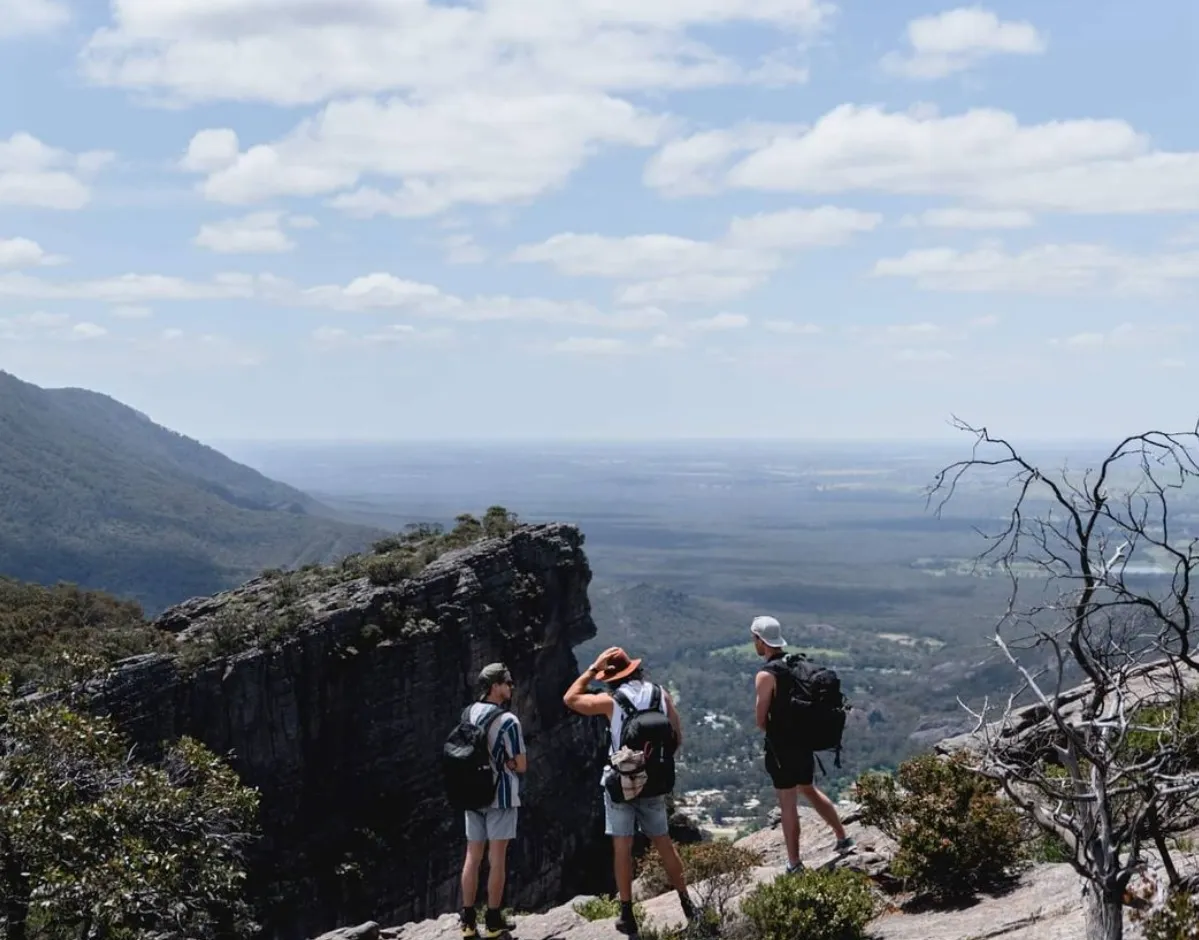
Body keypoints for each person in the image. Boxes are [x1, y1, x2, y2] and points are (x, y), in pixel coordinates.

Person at [563, 646, 696, 935]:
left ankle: (627, 914)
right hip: (655, 781)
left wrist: (591, 669)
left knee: (621, 847)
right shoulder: (661, 694)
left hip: (621, 783)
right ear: (635, 670)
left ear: (611, 677)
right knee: (664, 843)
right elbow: (677, 735)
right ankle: (688, 904)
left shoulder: (611, 701)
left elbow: (570, 699)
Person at [751, 616, 854, 874]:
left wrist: (774, 730)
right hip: (804, 742)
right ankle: (842, 836)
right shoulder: (796, 663)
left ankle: (794, 863)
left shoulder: (766, 675)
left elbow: (760, 718)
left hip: (781, 747)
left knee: (787, 802)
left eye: (755, 639)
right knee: (808, 788)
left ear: (761, 641)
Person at [460, 663, 527, 939]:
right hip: (499, 796)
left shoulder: (467, 713)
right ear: (495, 686)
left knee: (472, 857)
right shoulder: (508, 721)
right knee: (497, 859)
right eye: (507, 682)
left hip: (471, 794)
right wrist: (509, 762)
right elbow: (522, 765)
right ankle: (493, 920)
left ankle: (467, 921)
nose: (511, 687)